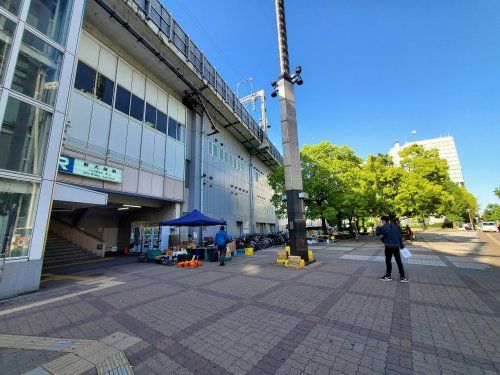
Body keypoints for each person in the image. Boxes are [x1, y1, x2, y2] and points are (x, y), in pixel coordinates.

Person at [376, 216, 408, 282]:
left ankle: (388, 276)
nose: (381, 222)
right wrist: (401, 245)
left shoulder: (384, 227)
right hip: (396, 246)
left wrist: (378, 226)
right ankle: (402, 277)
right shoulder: (395, 226)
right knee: (399, 261)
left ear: (384, 221)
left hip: (388, 246)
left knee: (388, 261)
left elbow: (377, 233)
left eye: (381, 221)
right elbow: (399, 236)